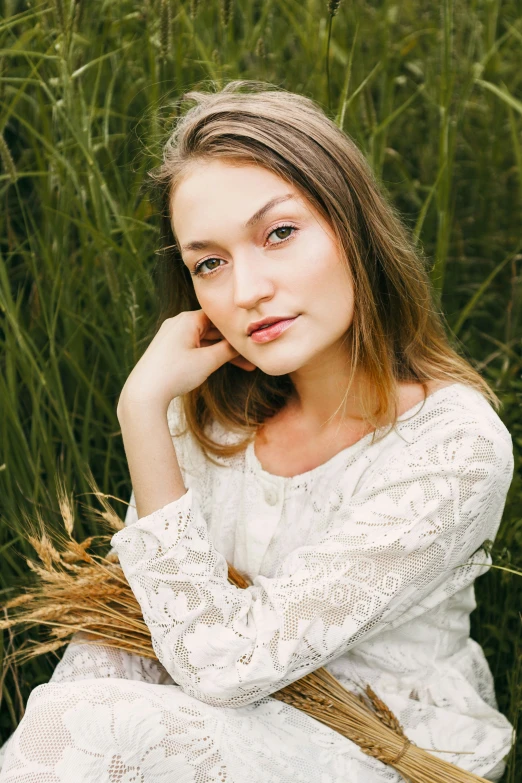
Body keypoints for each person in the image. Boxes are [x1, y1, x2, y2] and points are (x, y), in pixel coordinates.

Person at [0, 80, 514, 783]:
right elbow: (125, 631)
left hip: (380, 744)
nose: (245, 291)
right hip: (224, 723)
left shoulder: (452, 444)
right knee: (70, 718)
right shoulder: (207, 419)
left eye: (278, 233)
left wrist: (137, 410)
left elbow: (221, 663)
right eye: (209, 262)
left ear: (352, 225)